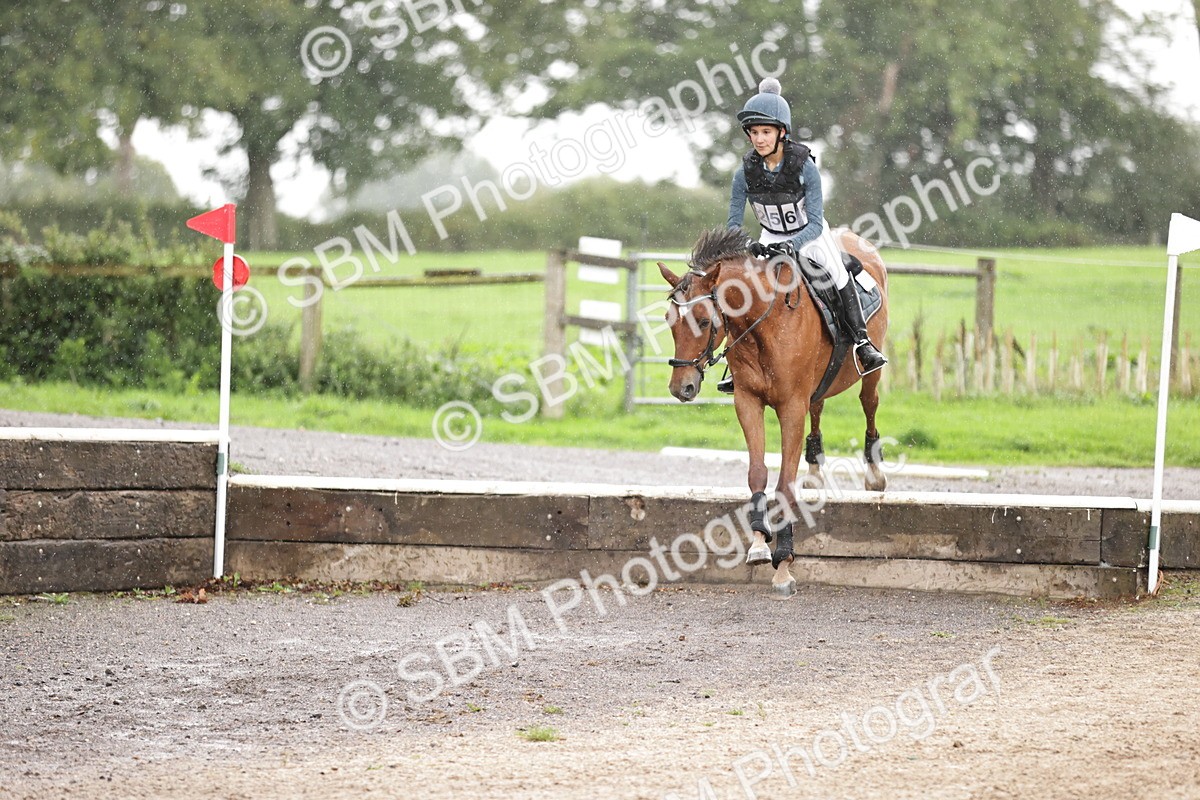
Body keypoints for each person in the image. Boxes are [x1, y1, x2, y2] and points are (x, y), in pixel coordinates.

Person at [720, 77, 886, 393]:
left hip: (810, 236)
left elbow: (814, 222)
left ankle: (863, 343)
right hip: (770, 236)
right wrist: (746, 245)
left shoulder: (804, 166)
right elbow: (733, 224)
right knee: (746, 288)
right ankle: (734, 362)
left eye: (765, 132)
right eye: (754, 133)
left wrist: (791, 245)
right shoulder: (744, 172)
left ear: (781, 132)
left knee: (837, 275)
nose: (759, 139)